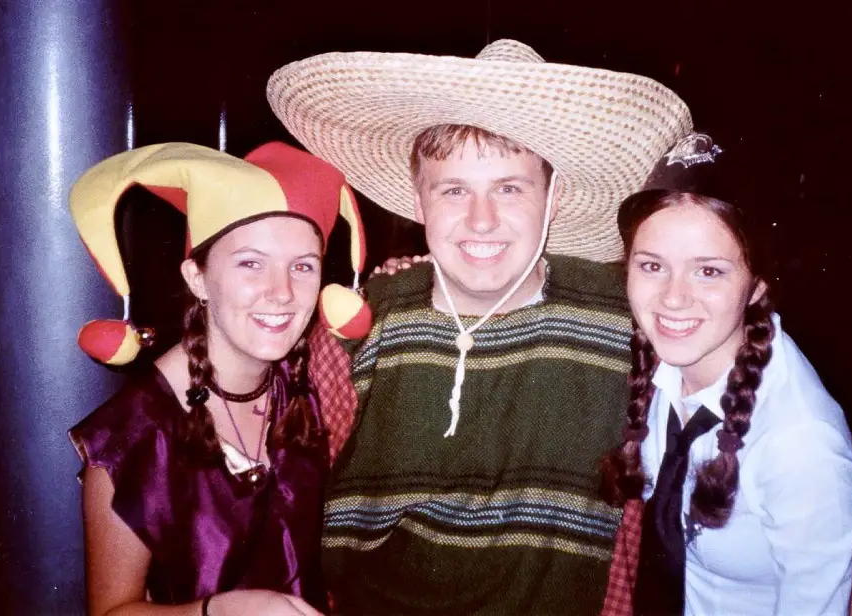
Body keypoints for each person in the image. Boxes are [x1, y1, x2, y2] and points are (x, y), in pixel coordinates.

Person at [266, 39, 692, 614]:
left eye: (510, 188)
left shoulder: (629, 320)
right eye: (454, 189)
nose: (481, 220)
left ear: (553, 199)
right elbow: (290, 499)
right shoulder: (360, 328)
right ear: (418, 201)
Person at [67, 141, 370, 616]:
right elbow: (111, 612)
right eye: (251, 262)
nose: (282, 292)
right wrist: (216, 611)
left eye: (303, 266)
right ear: (198, 278)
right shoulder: (131, 439)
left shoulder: (308, 379)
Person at [601, 133, 852, 614]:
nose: (673, 297)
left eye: (709, 271)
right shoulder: (662, 360)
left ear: (758, 284)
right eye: (652, 265)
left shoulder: (799, 439)